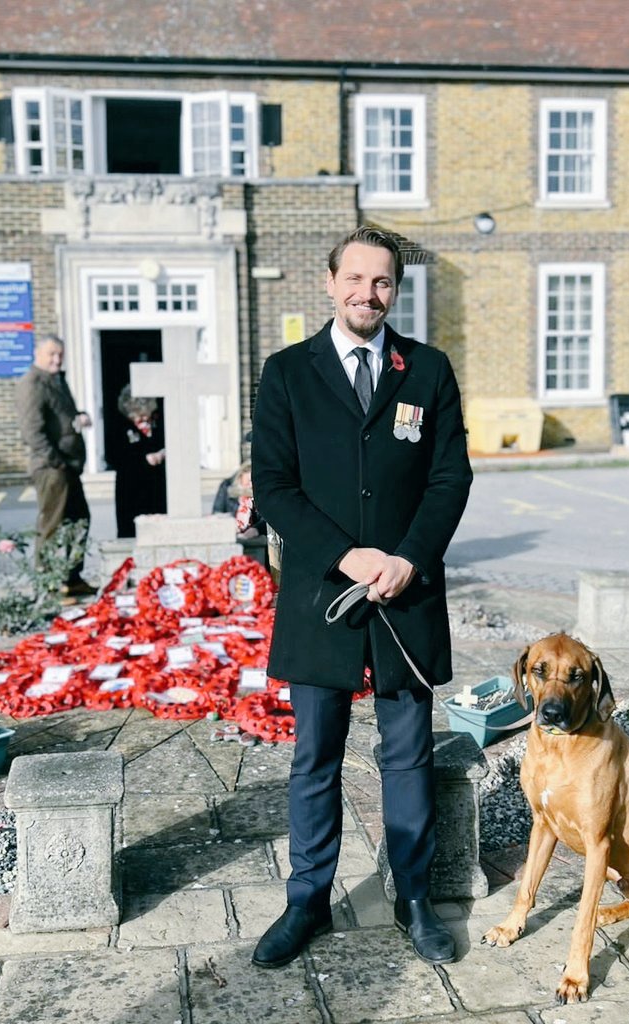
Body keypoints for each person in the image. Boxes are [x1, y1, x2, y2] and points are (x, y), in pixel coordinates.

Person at [250, 226, 473, 969]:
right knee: (316, 756)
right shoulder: (286, 373)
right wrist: (348, 556)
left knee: (406, 754)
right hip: (323, 596)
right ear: (329, 281)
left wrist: (409, 558)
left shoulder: (430, 371)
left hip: (407, 596)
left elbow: (450, 479)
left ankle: (415, 898)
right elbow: (275, 487)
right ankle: (305, 901)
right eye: (355, 279)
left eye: (382, 283)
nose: (366, 294)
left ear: (395, 291)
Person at [14, 334, 94, 599]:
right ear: (37, 354)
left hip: (69, 466)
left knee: (80, 520)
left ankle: (72, 578)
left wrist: (79, 416)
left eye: (60, 354)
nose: (57, 359)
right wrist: (57, 461)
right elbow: (32, 432)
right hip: (52, 468)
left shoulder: (56, 380)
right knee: (53, 525)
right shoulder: (32, 383)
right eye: (51, 354)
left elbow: (60, 416)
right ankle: (47, 585)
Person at [111, 386, 166, 538]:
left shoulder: (157, 423)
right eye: (138, 416)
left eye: (145, 414)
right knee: (131, 529)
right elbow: (116, 456)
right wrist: (143, 459)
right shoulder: (120, 426)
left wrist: (161, 454)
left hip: (156, 485)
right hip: (131, 486)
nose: (143, 419)